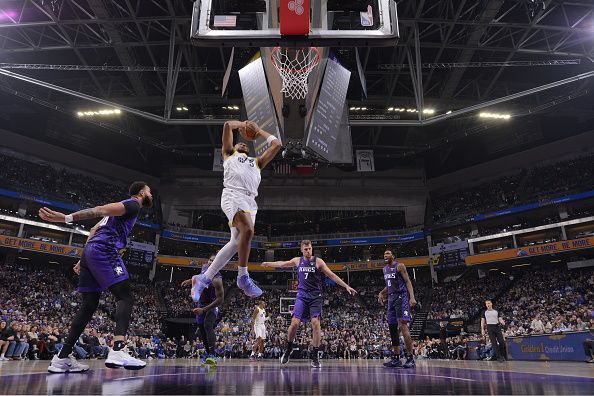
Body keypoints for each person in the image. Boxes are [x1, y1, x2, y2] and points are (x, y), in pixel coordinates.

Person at [39, 181, 152, 373]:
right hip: (105, 250)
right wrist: (67, 218)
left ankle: (62, 358)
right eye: (149, 191)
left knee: (89, 305)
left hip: (92, 252)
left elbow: (93, 230)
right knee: (125, 296)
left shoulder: (117, 215)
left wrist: (84, 259)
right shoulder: (132, 204)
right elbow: (98, 210)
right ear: (142, 193)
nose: (151, 194)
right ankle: (118, 349)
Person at [192, 120, 282, 301]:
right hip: (233, 196)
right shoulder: (229, 154)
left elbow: (277, 144)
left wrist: (259, 131)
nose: (243, 143)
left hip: (250, 202)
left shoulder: (257, 162)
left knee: (235, 242)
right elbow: (227, 125)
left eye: (246, 143)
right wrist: (243, 124)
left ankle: (204, 278)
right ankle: (243, 277)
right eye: (239, 141)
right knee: (248, 230)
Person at [263, 240, 357, 368]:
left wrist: (346, 286)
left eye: (310, 248)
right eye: (306, 249)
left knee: (315, 323)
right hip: (302, 295)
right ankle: (289, 348)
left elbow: (332, 275)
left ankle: (314, 355)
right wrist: (269, 263)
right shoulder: (297, 260)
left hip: (315, 295)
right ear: (302, 250)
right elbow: (283, 263)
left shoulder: (318, 262)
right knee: (295, 323)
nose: (308, 250)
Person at [181, 255, 224, 366]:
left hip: (212, 305)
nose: (211, 262)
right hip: (201, 304)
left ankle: (213, 356)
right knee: (202, 331)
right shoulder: (204, 267)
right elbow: (201, 277)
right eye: (210, 260)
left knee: (207, 326)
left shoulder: (217, 280)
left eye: (214, 261)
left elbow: (220, 300)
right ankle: (208, 354)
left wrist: (204, 310)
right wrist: (190, 281)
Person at [378, 249, 417, 369]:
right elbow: (389, 285)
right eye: (384, 254)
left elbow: (407, 281)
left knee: (403, 326)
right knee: (392, 328)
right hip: (391, 298)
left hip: (401, 296)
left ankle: (410, 358)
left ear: (393, 256)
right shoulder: (384, 269)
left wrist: (412, 297)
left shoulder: (400, 266)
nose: (385, 255)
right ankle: (396, 358)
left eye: (388, 253)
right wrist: (381, 293)